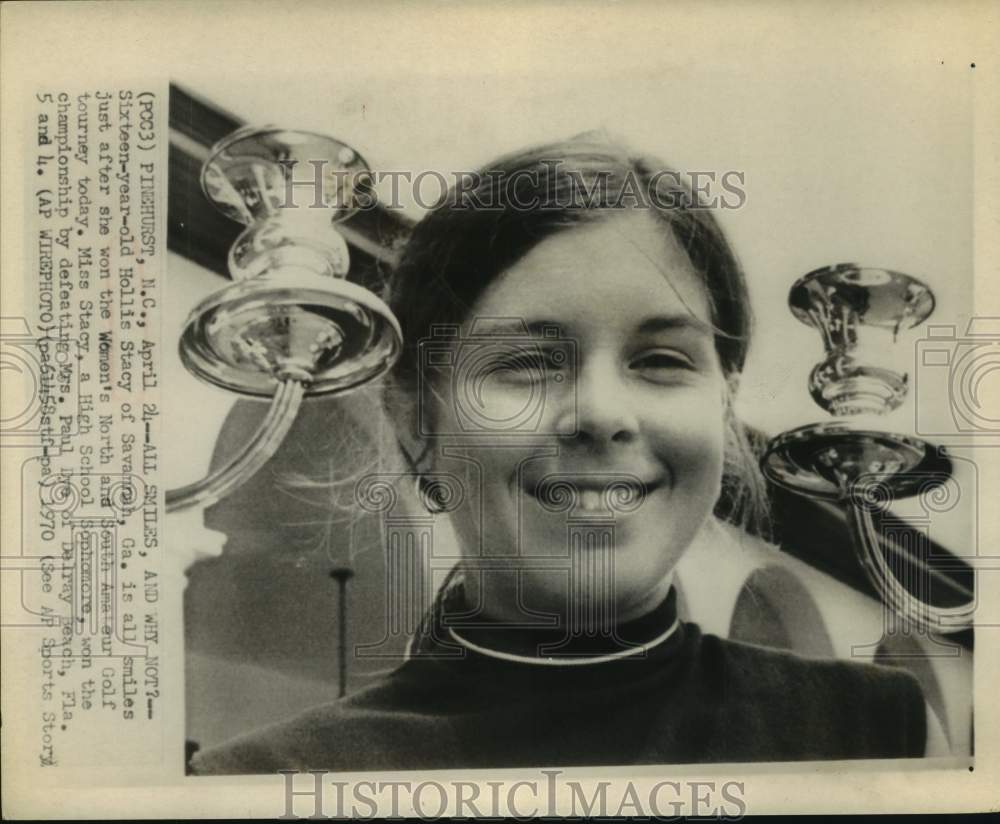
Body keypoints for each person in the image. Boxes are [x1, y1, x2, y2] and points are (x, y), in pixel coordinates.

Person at [190, 135, 942, 774]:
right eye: (528, 362)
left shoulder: (878, 733)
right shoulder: (267, 783)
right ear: (417, 420)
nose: (603, 415)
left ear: (722, 402)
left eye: (662, 361)